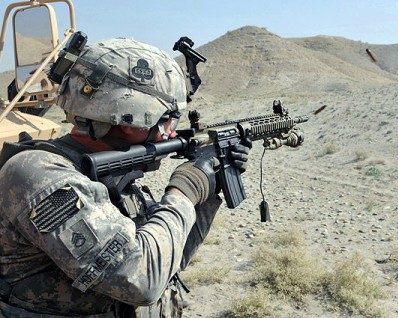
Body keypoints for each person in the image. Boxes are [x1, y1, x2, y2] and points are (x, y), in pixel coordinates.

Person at [0, 38, 250, 317]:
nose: (171, 132)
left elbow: (170, 258)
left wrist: (210, 185)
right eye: (169, 118)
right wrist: (184, 191)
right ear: (131, 118)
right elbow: (142, 280)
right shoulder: (39, 175)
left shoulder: (109, 176)